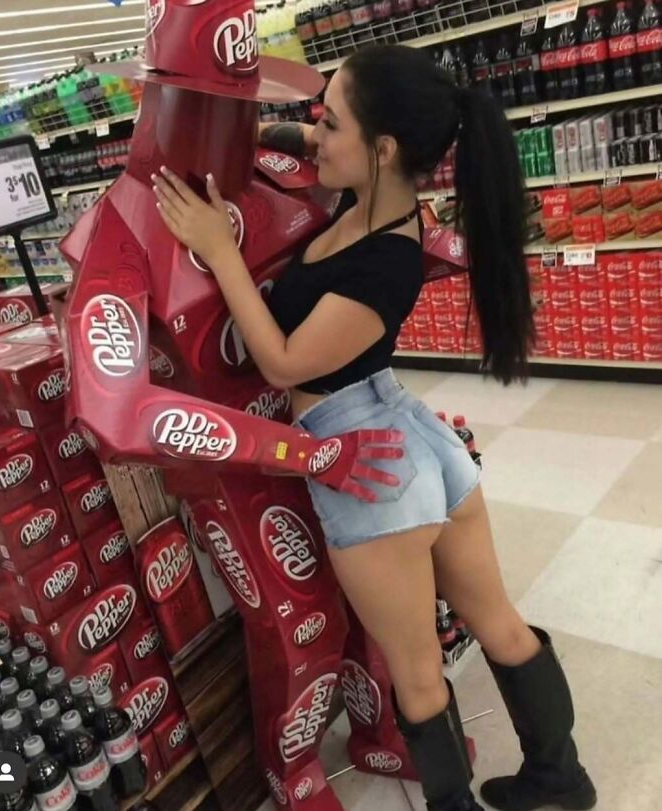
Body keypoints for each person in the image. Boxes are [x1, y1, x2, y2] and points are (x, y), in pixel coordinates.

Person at [151, 44, 596, 811]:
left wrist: (221, 251)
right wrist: (235, 131)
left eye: (330, 123)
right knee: (500, 622)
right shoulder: (377, 198)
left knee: (417, 674)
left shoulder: (385, 263)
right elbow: (299, 142)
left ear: (384, 148)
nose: (313, 135)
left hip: (366, 459)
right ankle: (561, 774)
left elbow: (283, 362)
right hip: (410, 431)